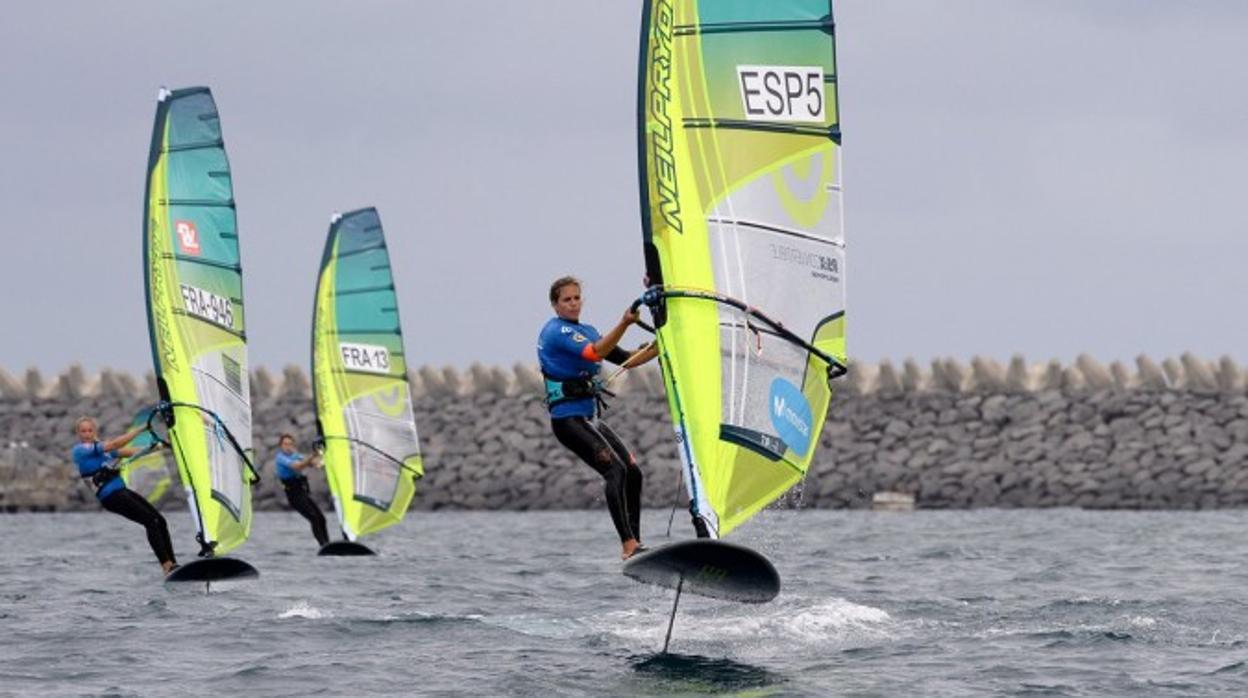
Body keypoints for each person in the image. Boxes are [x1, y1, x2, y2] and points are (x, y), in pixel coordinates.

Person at [538, 276, 658, 560]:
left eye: (577, 297)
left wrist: (661, 345)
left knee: (633, 473)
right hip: (568, 422)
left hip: (589, 419)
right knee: (615, 472)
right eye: (566, 299)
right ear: (555, 305)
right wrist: (625, 323)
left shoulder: (588, 330)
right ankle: (628, 544)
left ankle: (636, 544)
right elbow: (595, 352)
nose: (573, 303)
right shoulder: (556, 331)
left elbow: (627, 359)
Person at [71, 416, 178, 574]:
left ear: (94, 432)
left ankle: (173, 564)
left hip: (121, 492)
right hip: (111, 497)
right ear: (78, 434)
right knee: (150, 522)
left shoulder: (103, 451)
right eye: (83, 431)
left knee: (160, 521)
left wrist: (163, 445)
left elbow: (132, 451)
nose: (86, 434)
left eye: (90, 430)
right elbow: (115, 444)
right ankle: (166, 565)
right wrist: (141, 429)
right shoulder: (80, 450)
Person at [275, 434, 330, 547]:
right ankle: (323, 545)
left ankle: (328, 545)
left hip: (302, 492)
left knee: (322, 518)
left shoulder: (295, 455)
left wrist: (320, 456)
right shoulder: (280, 458)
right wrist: (312, 456)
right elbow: (298, 466)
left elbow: (313, 463)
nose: (288, 446)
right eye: (285, 444)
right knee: (314, 518)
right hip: (293, 495)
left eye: (290, 444)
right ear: (281, 446)